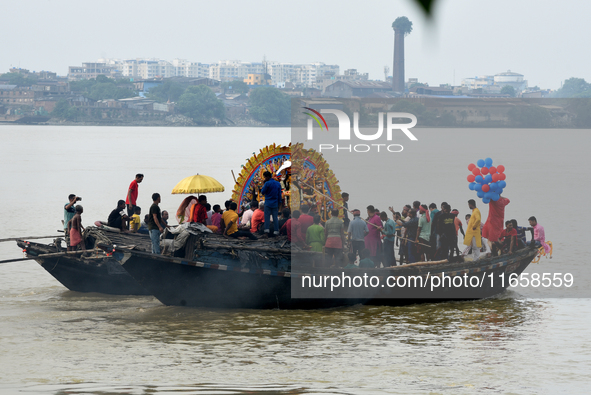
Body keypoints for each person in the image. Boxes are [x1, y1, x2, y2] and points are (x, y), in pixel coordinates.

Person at [261, 171, 282, 236]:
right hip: (275, 203)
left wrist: (263, 184)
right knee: (275, 218)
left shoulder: (267, 183)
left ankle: (266, 232)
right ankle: (276, 232)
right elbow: (279, 195)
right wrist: (279, 203)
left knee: (267, 217)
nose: (264, 179)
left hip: (268, 203)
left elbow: (262, 192)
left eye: (264, 177)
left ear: (267, 177)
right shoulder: (278, 183)